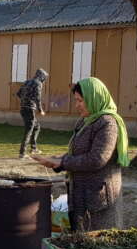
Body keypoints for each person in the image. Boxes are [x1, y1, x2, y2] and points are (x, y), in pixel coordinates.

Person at [32, 77, 129, 232]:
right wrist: (54, 161)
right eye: (76, 100)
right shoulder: (85, 121)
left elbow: (97, 159)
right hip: (80, 196)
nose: (77, 105)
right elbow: (78, 152)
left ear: (94, 98)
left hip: (98, 201)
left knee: (98, 245)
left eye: (80, 101)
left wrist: (63, 162)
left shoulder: (107, 123)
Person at [16, 68, 48, 158]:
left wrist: (24, 101)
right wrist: (40, 110)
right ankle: (22, 153)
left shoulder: (27, 82)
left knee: (36, 126)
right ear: (41, 76)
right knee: (28, 130)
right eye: (44, 78)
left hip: (23, 109)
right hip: (29, 109)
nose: (44, 80)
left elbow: (18, 94)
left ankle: (34, 148)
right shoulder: (38, 83)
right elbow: (37, 98)